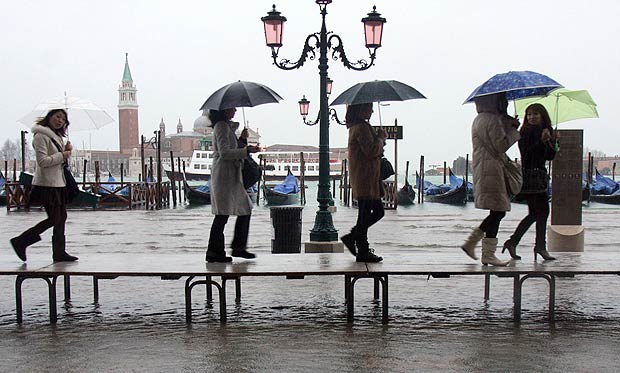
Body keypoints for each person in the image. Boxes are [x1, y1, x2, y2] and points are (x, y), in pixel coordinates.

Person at [10, 109, 78, 262]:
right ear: (49, 117)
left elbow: (58, 162)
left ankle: (59, 252)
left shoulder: (57, 138)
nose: (60, 120)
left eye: (63, 119)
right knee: (54, 218)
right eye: (57, 117)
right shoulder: (41, 136)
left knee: (62, 217)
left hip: (58, 183)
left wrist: (66, 152)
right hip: (47, 184)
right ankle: (21, 241)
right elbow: (43, 162)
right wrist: (63, 155)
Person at [460, 93, 520, 266]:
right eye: (503, 101)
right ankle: (486, 253)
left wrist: (507, 124)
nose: (506, 103)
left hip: (484, 169)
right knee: (498, 210)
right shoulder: (492, 120)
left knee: (497, 211)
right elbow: (501, 145)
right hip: (492, 170)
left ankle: (473, 244)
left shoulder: (479, 119)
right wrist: (513, 132)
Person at [503, 103, 557, 261]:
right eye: (529, 115)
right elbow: (527, 155)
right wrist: (541, 141)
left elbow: (550, 156)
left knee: (536, 213)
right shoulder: (525, 132)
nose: (532, 117)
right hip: (530, 176)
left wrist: (552, 141)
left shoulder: (546, 131)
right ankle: (538, 246)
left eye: (535, 114)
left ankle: (516, 242)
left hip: (540, 176)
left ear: (542, 116)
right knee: (540, 212)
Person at [205, 108, 260, 263]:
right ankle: (219, 252)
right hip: (224, 175)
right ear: (223, 110)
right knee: (223, 214)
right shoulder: (221, 126)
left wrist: (242, 140)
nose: (235, 109)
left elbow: (233, 149)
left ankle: (232, 249)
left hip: (230, 175)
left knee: (240, 210)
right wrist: (246, 150)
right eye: (232, 107)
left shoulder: (225, 126)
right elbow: (224, 153)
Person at [341, 102, 387, 263]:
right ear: (361, 109)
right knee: (374, 212)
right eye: (369, 107)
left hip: (366, 178)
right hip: (366, 179)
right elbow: (371, 151)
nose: (372, 110)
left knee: (366, 214)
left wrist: (379, 139)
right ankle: (357, 242)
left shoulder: (357, 126)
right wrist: (381, 138)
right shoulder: (361, 127)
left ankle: (361, 247)